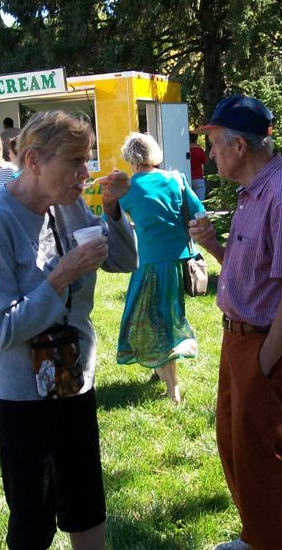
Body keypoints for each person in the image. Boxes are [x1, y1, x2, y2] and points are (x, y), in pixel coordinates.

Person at [0, 110, 137, 550]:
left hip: (73, 380)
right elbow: (2, 330)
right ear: (33, 161)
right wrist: (60, 277)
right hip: (19, 392)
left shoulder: (70, 204)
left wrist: (116, 211)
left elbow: (121, 260)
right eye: (75, 162)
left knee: (86, 500)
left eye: (87, 160)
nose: (85, 173)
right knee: (34, 515)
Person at [189, 95, 282, 550]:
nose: (211, 156)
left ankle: (277, 543)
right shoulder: (253, 193)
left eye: (214, 146)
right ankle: (257, 536)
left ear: (240, 147)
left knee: (262, 452)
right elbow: (255, 276)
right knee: (236, 445)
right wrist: (214, 246)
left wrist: (264, 361)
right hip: (241, 341)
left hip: (271, 344)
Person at [116, 132, 204, 404]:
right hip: (178, 263)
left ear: (131, 157)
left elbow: (121, 218)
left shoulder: (128, 188)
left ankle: (172, 388)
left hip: (150, 264)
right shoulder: (176, 179)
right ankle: (159, 370)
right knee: (165, 316)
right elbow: (199, 211)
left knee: (153, 321)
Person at [189, 132, 208, 200]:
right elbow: (205, 161)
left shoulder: (185, 151)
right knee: (200, 202)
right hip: (198, 179)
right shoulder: (199, 151)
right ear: (196, 139)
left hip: (188, 178)